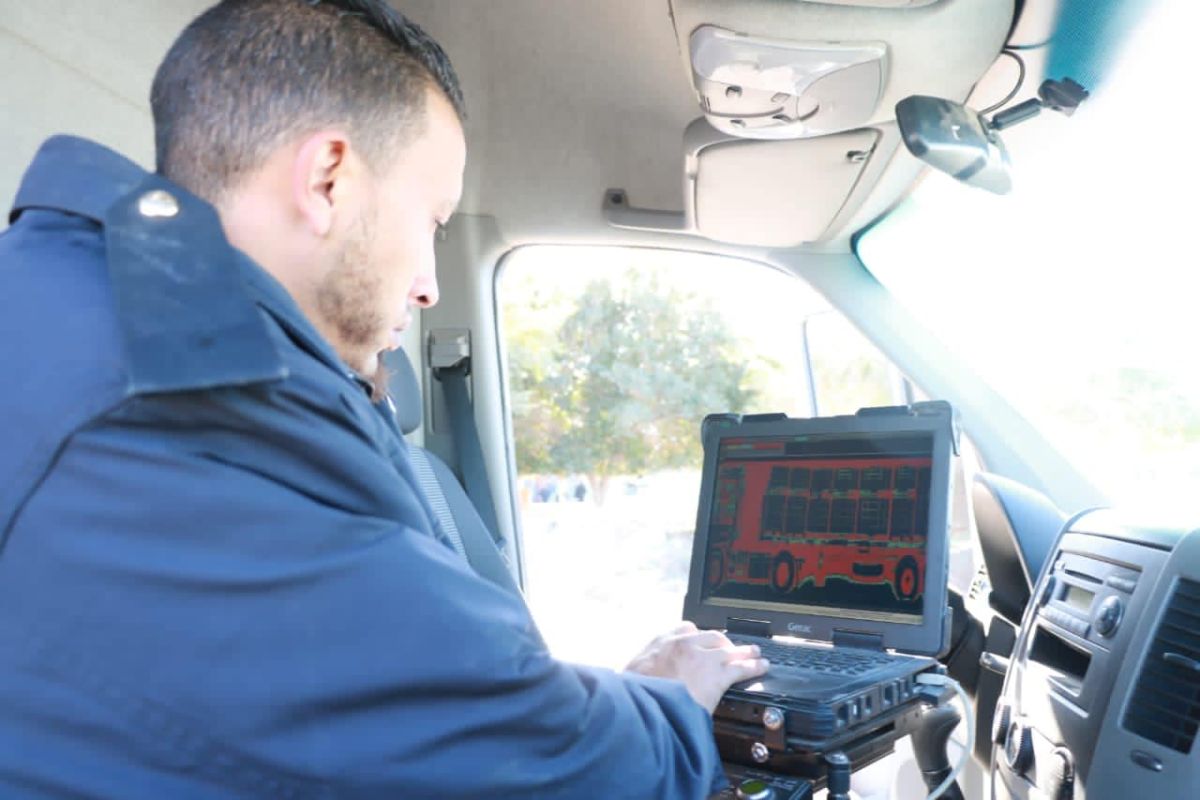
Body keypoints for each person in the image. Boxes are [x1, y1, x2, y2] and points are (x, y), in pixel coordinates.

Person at [0, 1, 768, 797]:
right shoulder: (195, 416)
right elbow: (548, 769)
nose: (432, 284)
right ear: (328, 178)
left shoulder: (75, 308)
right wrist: (674, 701)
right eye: (432, 220)